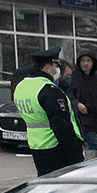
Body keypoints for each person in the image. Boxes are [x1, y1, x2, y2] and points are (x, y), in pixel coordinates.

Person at [13, 46, 85, 176]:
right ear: (47, 67)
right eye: (55, 65)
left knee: (45, 185)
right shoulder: (49, 90)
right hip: (57, 149)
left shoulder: (21, 86)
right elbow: (62, 126)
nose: (57, 69)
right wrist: (75, 155)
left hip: (37, 147)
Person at [68, 51, 97, 156]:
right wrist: (77, 104)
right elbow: (69, 95)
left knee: (95, 151)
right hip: (85, 121)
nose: (85, 63)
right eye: (83, 60)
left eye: (88, 61)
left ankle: (96, 169)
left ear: (93, 62)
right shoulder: (74, 78)